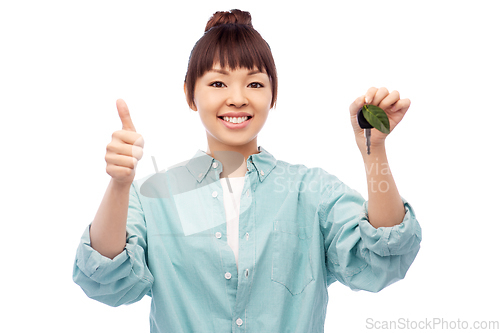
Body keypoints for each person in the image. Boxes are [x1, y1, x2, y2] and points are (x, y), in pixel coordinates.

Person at [73, 9, 422, 333]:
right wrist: (119, 184)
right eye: (218, 83)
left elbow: (382, 260)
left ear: (273, 94)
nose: (237, 98)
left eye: (254, 83)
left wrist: (374, 150)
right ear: (189, 94)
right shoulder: (154, 196)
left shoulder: (310, 189)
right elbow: (105, 280)